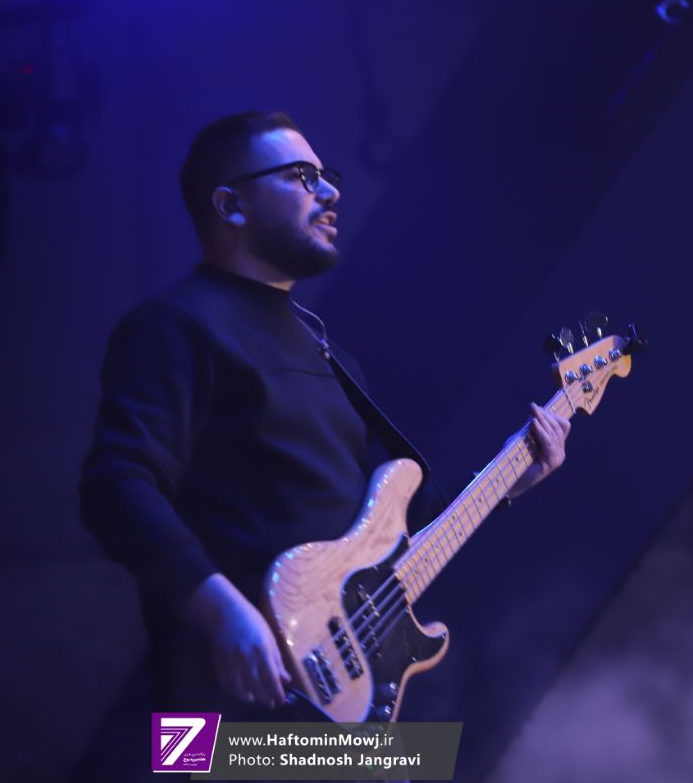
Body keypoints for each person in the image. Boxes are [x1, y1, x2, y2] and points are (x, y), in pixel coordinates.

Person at [78, 110, 571, 722]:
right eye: (301, 177)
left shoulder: (328, 353)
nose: (331, 193)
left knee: (439, 760)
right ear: (231, 205)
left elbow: (389, 529)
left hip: (335, 713)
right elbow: (116, 485)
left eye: (326, 176)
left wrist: (511, 477)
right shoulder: (175, 325)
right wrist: (220, 606)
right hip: (208, 717)